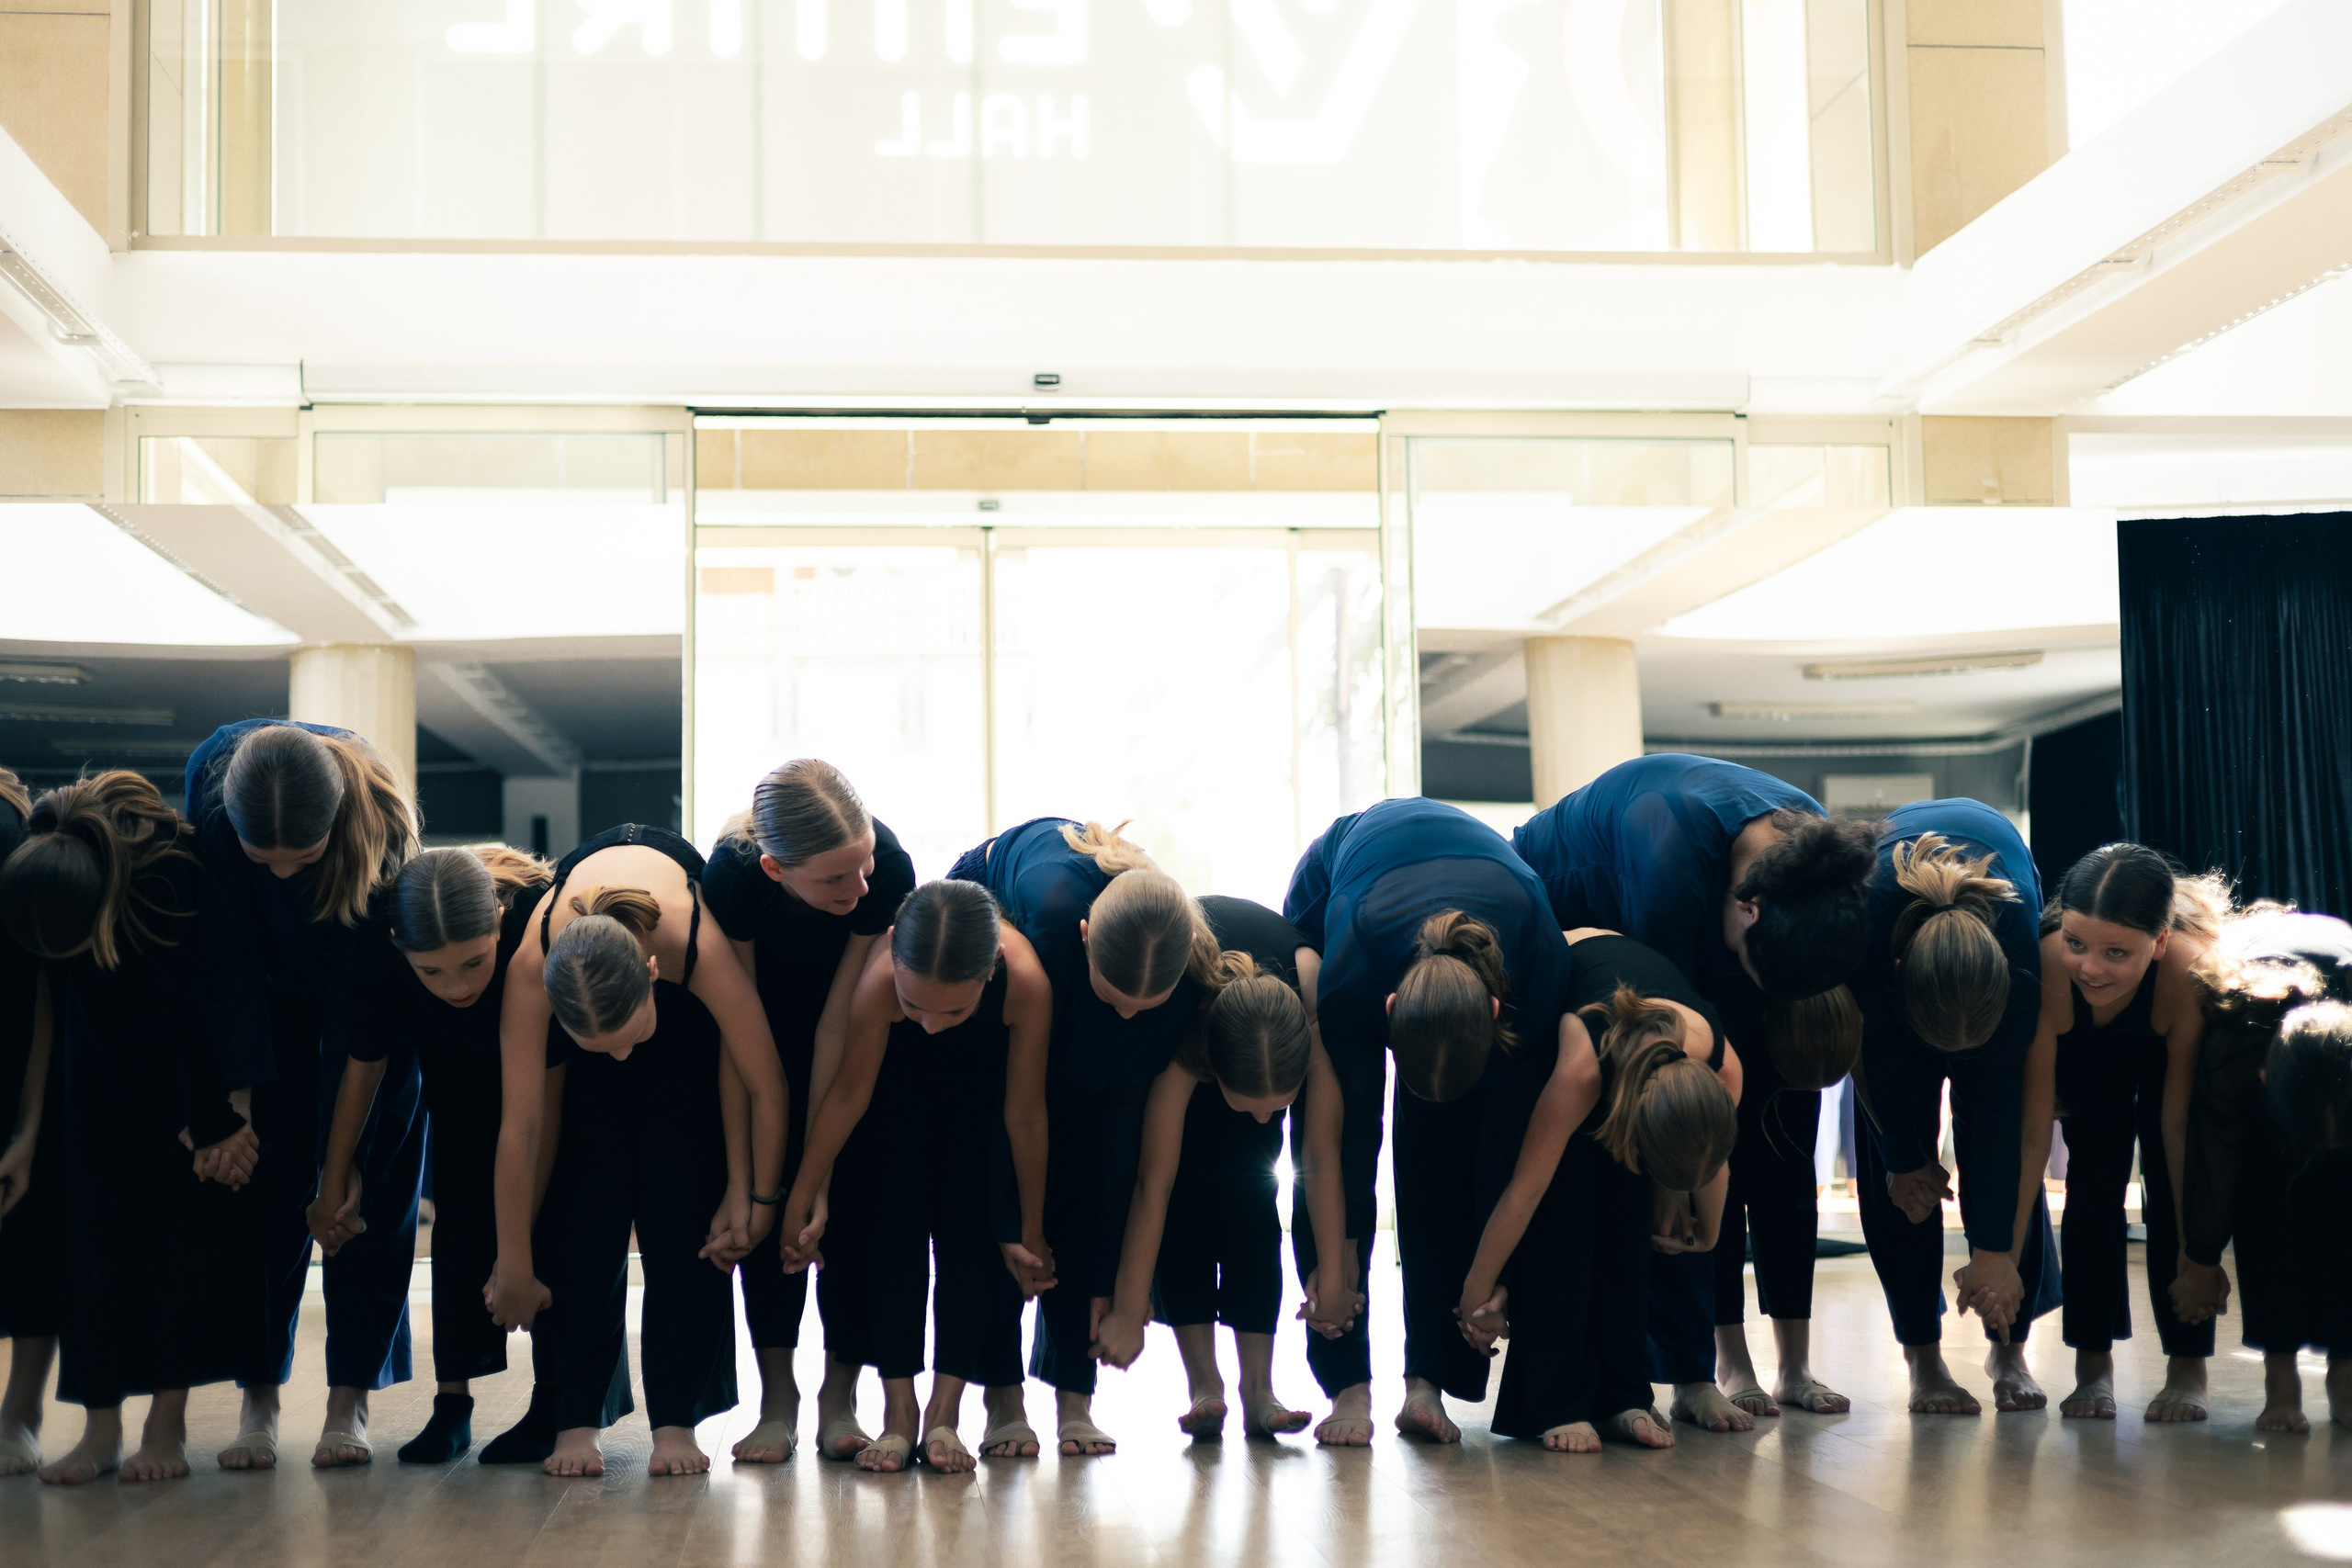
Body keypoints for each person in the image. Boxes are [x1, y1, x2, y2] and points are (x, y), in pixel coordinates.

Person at [1509, 754, 1876, 1430]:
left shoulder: (1818, 869)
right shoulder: (1670, 854)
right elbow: (1660, 1067)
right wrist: (1674, 1187)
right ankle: (1655, 1372)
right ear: (1747, 908)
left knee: (1734, 1120)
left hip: (1701, 924)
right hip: (1571, 907)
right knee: (1640, 1145)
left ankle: (1699, 1368)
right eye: (1753, 966)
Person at [486, 821, 789, 1479]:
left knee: (686, 1209)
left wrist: (754, 1198)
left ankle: (675, 1417)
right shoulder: (531, 971)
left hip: (677, 1028)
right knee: (577, 1211)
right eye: (604, 1047)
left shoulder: (693, 947)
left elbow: (765, 1085)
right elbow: (521, 1129)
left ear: (654, 975)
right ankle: (575, 1415)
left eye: (629, 1037)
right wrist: (514, 1259)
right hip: (594, 990)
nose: (622, 1055)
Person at [1284, 796, 1571, 1445]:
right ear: (1387, 1011)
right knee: (1341, 1137)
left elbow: (1516, 1152)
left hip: (1487, 899)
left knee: (1455, 1143)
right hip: (1340, 880)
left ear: (1498, 1011)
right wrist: (1332, 1270)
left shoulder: (1536, 947)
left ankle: (1427, 1386)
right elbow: (1331, 1150)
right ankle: (1347, 1386)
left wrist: (1492, 1281)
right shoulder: (1351, 967)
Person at [0, 773, 260, 1484]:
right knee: (92, 1245)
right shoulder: (40, 866)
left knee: (173, 1244)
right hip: (97, 1070)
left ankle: (164, 1426)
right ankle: (100, 1429)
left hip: (179, 1075)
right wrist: (29, 1130)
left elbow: (192, 1016)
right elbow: (45, 1008)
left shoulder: (164, 876)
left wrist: (212, 1124)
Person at [187, 718, 420, 1469]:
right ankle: (259, 1397)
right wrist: (235, 1116)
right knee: (257, 1189)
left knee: (363, 1194)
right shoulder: (214, 795)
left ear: (335, 829)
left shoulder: (376, 818)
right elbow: (225, 965)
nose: (283, 874)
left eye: (305, 858)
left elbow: (361, 1023)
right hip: (263, 995)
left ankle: (347, 1399)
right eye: (265, 860)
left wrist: (339, 1165)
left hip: (365, 1002)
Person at [948, 818, 1216, 1457]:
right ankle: (1003, 1399)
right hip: (992, 918)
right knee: (1005, 1215)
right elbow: (1022, 1112)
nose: (1127, 1014)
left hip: (1094, 982)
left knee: (1091, 1185)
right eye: (1116, 998)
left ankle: (1076, 1396)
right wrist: (1021, 1223)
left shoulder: (1180, 981)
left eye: (1142, 1007)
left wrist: (1120, 1287)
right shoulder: (1051, 921)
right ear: (1087, 939)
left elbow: (1123, 1146)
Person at [775, 879, 1051, 1472]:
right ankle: (899, 1412)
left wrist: (1030, 1228)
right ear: (895, 957)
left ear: (989, 972)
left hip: (979, 1112)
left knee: (975, 1241)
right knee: (889, 1237)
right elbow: (848, 1095)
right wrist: (802, 1193)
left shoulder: (1024, 981)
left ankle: (943, 1416)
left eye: (952, 1008)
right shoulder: (879, 978)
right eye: (913, 1004)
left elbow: (1026, 1115)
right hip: (891, 1106)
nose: (928, 1023)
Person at [308, 845, 555, 1462]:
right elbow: (362, 1069)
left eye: (474, 963)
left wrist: (517, 1251)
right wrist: (331, 1184)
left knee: (553, 1225)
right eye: (433, 972)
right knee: (459, 1222)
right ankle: (453, 1404)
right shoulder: (382, 952)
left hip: (551, 1087)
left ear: (499, 917)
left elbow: (531, 1125)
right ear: (399, 944)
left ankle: (557, 1401)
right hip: (457, 1083)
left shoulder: (537, 929)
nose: (458, 985)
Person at [702, 760, 917, 1463]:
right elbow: (738, 1038)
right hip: (756, 1036)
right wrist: (748, 1183)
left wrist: (814, 1182)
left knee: (846, 1210)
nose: (858, 888)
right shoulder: (733, 878)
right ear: (774, 868)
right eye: (834, 878)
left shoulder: (885, 872)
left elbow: (838, 1025)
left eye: (864, 865)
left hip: (853, 1045)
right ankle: (777, 1397)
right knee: (766, 1223)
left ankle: (839, 1394)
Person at [1090, 895, 1357, 1441]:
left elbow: (1321, 1155)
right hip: (1202, 1017)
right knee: (1186, 1203)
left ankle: (1258, 1389)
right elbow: (1153, 1184)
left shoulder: (1313, 998)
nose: (1266, 1116)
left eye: (1278, 1108)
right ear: (1213, 1073)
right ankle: (1204, 1384)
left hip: (1270, 1024)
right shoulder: (1185, 1032)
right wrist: (1128, 1300)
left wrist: (1333, 1272)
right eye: (1253, 1104)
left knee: (1254, 1210)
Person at [1464, 931, 1738, 1452]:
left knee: (1629, 1216)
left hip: (1628, 1013)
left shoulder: (1724, 1069)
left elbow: (1713, 1164)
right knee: (1562, 1212)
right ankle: (1558, 1402)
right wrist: (1477, 1289)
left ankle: (1623, 1395)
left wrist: (1710, 1234)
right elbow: (1524, 1190)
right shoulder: (1580, 1072)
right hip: (1551, 991)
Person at [1849, 803, 2058, 1415]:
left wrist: (1996, 1249)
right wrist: (1902, 1154)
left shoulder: (2020, 957)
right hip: (1894, 999)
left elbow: (2010, 1131)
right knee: (1899, 1176)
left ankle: (2010, 1348)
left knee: (2002, 1155)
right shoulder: (1865, 934)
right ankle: (1923, 1359)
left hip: (1990, 984)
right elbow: (1868, 1057)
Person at [2007, 845, 2222, 1422]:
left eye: (2116, 953)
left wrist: (2194, 1255)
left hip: (2159, 1065)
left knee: (2172, 1197)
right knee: (2092, 1190)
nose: (2091, 968)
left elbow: (2174, 1128)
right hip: (2085, 1066)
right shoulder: (2050, 966)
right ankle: (2092, 1368)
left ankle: (2187, 1367)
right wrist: (2003, 1252)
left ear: (2157, 944)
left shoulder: (2185, 970)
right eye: (2077, 943)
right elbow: (2033, 1133)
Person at [2172, 908, 2352, 1432]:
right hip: (2260, 987)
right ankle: (2281, 1379)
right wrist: (2202, 1259)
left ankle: (2346, 1370)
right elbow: (2217, 1161)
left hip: (2334, 1003)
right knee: (2264, 1206)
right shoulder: (2232, 1042)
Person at [1712, 985, 1860, 1418]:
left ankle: (1795, 1366)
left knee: (1790, 1185)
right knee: (1719, 1186)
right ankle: (1731, 1362)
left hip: (1795, 1005)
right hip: (1722, 1002)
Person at [0, 765, 63, 1478]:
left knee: (29, 1232)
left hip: (16, 1060)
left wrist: (29, 1125)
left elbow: (45, 986)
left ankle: (21, 1409)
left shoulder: (7, 835)